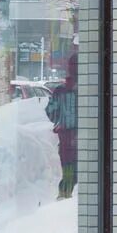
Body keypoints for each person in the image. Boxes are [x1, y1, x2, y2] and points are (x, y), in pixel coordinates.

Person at [46, 54, 79, 199]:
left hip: (66, 139)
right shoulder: (91, 89)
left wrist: (60, 122)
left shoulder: (60, 91)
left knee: (68, 170)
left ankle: (64, 197)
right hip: (87, 139)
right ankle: (66, 201)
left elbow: (50, 112)